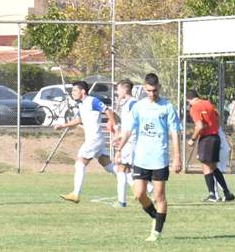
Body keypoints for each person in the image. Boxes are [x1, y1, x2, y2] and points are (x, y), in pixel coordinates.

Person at [115, 73, 182, 243]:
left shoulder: (167, 107)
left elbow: (174, 133)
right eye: (149, 91)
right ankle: (156, 216)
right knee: (139, 194)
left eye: (154, 90)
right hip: (141, 158)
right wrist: (119, 149)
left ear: (159, 87)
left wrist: (177, 156)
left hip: (159, 158)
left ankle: (157, 232)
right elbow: (128, 130)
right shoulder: (138, 107)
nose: (152, 94)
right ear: (145, 89)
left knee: (159, 196)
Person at [56, 80, 117, 204]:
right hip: (96, 139)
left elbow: (107, 110)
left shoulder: (92, 101)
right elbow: (78, 120)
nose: (72, 93)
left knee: (80, 164)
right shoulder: (82, 104)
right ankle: (144, 187)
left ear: (83, 91)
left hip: (94, 139)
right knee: (110, 167)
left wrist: (112, 123)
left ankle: (75, 194)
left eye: (74, 90)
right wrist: (63, 125)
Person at [186, 90, 235, 202]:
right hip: (215, 137)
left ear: (189, 99)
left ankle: (212, 195)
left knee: (206, 166)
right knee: (213, 166)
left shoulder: (194, 108)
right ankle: (227, 193)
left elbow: (199, 126)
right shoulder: (208, 103)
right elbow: (216, 118)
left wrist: (192, 139)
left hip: (207, 138)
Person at [111, 79, 138, 208]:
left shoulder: (133, 104)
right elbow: (128, 125)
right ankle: (147, 191)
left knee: (121, 168)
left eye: (118, 89)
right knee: (126, 170)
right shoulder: (127, 103)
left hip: (131, 141)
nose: (117, 92)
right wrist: (119, 136)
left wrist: (122, 141)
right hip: (128, 139)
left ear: (125, 89)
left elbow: (133, 126)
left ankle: (121, 201)